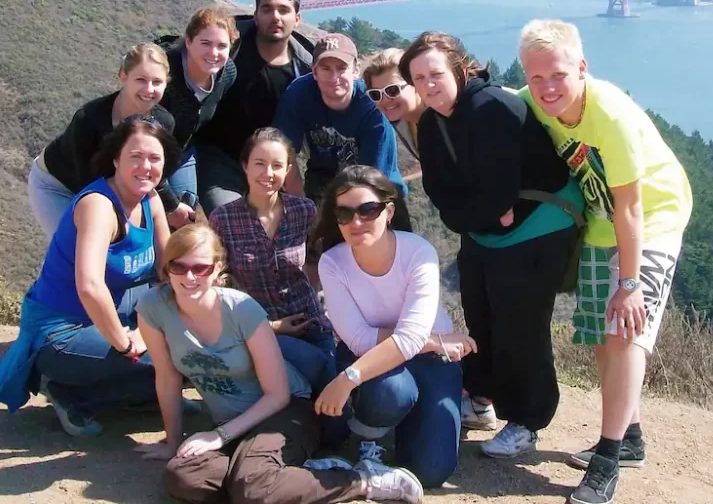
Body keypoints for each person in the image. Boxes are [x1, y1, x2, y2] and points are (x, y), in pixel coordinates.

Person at [517, 19, 693, 504]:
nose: (548, 87)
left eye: (558, 75)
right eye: (537, 78)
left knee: (625, 329)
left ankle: (607, 459)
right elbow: (489, 111)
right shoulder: (531, 101)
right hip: (598, 219)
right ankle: (631, 436)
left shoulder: (609, 114)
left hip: (652, 217)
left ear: (582, 67)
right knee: (599, 333)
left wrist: (632, 281)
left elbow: (632, 208)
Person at [133, 223, 423, 504]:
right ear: (167, 268)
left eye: (201, 268)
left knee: (252, 488)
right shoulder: (153, 307)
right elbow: (167, 377)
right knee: (181, 475)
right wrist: (173, 441)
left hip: (284, 412)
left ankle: (360, 480)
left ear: (218, 269)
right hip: (232, 424)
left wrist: (219, 436)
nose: (189, 277)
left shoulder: (241, 310)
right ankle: (289, 477)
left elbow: (278, 394)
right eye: (179, 266)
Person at [401, 31, 584, 459]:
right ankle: (480, 397)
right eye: (419, 77)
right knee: (480, 313)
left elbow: (500, 191)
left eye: (436, 73)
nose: (428, 84)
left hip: (541, 220)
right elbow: (438, 189)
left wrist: (479, 211)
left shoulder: (493, 108)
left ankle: (528, 420)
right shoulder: (430, 121)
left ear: (461, 70)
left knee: (520, 325)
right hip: (486, 226)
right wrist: (475, 214)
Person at [0, 116, 181, 438]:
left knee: (197, 344)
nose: (145, 166)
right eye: (135, 157)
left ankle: (149, 392)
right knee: (180, 358)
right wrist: (126, 342)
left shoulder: (150, 199)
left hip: (117, 306)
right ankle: (74, 395)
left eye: (154, 158)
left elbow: (168, 269)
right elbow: (90, 286)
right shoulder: (99, 206)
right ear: (116, 158)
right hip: (61, 329)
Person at [310, 165, 474, 489]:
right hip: (385, 358)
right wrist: (435, 340)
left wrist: (349, 378)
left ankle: (397, 422)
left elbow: (409, 338)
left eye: (367, 210)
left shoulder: (418, 253)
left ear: (388, 211)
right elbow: (358, 339)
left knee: (431, 471)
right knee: (390, 391)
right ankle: (367, 441)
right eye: (344, 213)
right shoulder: (333, 263)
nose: (356, 222)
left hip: (430, 363)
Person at [208, 127, 335, 391]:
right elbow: (219, 284)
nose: (268, 174)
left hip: (309, 321)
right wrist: (272, 326)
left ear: (288, 170)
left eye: (277, 166)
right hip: (259, 329)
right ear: (244, 166)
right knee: (314, 369)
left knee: (335, 397)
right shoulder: (224, 219)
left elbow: (317, 260)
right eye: (259, 164)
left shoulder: (303, 211)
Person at [28, 43, 176, 237]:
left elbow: (155, 174)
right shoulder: (89, 119)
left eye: (157, 82)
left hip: (109, 188)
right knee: (78, 250)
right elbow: (89, 191)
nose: (149, 89)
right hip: (58, 186)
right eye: (141, 79)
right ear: (123, 76)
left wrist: (173, 206)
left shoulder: (163, 123)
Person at [195, 0, 316, 212]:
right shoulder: (228, 50)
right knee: (232, 223)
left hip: (272, 169)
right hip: (221, 161)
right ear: (256, 15)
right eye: (267, 9)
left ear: (297, 19)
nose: (275, 17)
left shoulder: (307, 70)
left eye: (283, 10)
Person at [272, 33, 411, 231]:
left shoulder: (373, 104)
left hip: (380, 189)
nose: (334, 77)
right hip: (323, 180)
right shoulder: (299, 94)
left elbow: (375, 180)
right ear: (314, 71)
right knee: (319, 249)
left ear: (356, 70)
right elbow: (285, 156)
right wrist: (303, 211)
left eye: (342, 68)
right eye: (326, 68)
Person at [158, 6, 240, 223]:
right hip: (144, 155)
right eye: (205, 43)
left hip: (181, 153)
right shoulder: (163, 74)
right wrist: (169, 203)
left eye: (222, 46)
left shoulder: (227, 74)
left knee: (186, 219)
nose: (213, 53)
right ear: (188, 42)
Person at [361, 48, 424, 182]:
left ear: (415, 82)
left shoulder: (442, 118)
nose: (384, 100)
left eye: (392, 90)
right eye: (375, 94)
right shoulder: (403, 120)